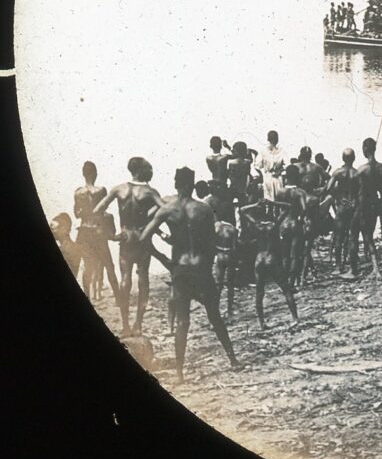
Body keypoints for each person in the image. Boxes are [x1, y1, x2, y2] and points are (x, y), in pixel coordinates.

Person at [138, 167, 239, 381]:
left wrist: (162, 255)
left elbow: (144, 236)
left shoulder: (167, 209)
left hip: (181, 270)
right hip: (201, 269)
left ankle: (180, 373)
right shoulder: (204, 209)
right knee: (215, 316)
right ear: (192, 185)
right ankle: (233, 360)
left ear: (176, 184)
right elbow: (210, 242)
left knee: (183, 321)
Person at [93, 157, 164, 336]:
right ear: (140, 170)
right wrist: (150, 215)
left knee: (125, 280)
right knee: (143, 281)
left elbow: (96, 211)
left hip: (125, 238)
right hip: (142, 237)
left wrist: (110, 235)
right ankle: (138, 325)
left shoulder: (119, 189)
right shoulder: (150, 192)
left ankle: (125, 325)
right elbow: (164, 209)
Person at [238, 190, 299, 331]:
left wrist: (255, 204)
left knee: (259, 293)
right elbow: (289, 207)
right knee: (286, 289)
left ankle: (261, 324)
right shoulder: (274, 224)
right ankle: (295, 318)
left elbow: (242, 210)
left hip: (259, 260)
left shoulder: (257, 224)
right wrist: (272, 203)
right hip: (271, 258)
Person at [74, 161, 121, 305]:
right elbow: (104, 211)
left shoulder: (78, 192)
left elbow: (76, 214)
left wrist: (85, 211)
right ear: (95, 174)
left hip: (84, 231)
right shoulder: (101, 190)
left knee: (87, 267)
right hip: (99, 231)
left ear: (83, 174)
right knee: (108, 264)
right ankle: (119, 298)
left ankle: (87, 297)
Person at [325, 148, 363, 274]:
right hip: (353, 207)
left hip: (342, 206)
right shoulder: (357, 173)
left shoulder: (338, 172)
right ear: (354, 158)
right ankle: (353, 267)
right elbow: (361, 192)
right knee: (353, 238)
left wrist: (339, 196)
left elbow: (329, 188)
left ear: (342, 158)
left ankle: (338, 266)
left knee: (339, 238)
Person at [355, 138, 382, 274]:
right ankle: (371, 259)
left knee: (367, 235)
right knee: (370, 232)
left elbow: (355, 189)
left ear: (365, 149)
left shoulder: (362, 170)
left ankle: (375, 267)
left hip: (364, 204)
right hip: (377, 202)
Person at [50, 212, 83, 278]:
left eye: (53, 229)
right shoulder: (73, 247)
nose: (51, 231)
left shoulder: (69, 249)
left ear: (64, 229)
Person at [257, 130, 285, 202]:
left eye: (275, 138)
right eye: (272, 138)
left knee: (279, 198)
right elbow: (257, 165)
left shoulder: (281, 150)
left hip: (278, 177)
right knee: (268, 199)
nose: (274, 140)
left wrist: (280, 171)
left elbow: (287, 165)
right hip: (268, 176)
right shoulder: (263, 150)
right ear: (268, 139)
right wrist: (262, 175)